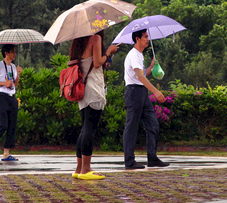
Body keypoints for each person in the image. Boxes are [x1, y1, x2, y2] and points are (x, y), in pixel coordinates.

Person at [69, 30, 119, 180]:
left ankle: (79, 167)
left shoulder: (79, 41)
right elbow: (97, 63)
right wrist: (109, 51)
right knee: (90, 128)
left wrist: (107, 57)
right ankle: (86, 168)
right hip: (93, 87)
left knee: (84, 127)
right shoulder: (95, 38)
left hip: (83, 89)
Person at [122, 29, 169, 170]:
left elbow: (142, 74)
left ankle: (152, 157)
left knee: (152, 124)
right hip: (134, 92)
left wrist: (151, 67)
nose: (148, 39)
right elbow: (140, 77)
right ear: (137, 39)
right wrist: (155, 91)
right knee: (131, 128)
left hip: (141, 92)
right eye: (145, 37)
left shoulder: (140, 55)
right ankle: (129, 161)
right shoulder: (133, 54)